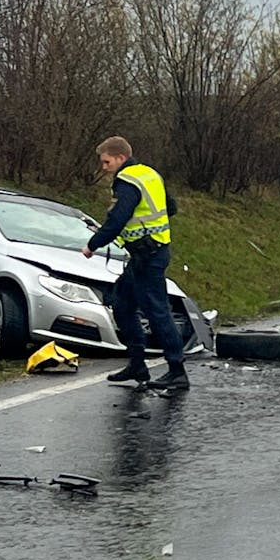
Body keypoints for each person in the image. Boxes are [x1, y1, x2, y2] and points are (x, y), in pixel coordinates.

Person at [84, 136, 189, 391]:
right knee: (122, 304)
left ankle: (177, 371)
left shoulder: (127, 181)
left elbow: (118, 218)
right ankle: (137, 364)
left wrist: (93, 244)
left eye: (106, 161)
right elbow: (170, 207)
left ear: (120, 158)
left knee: (157, 312)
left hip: (148, 256)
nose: (104, 167)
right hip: (150, 253)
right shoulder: (149, 174)